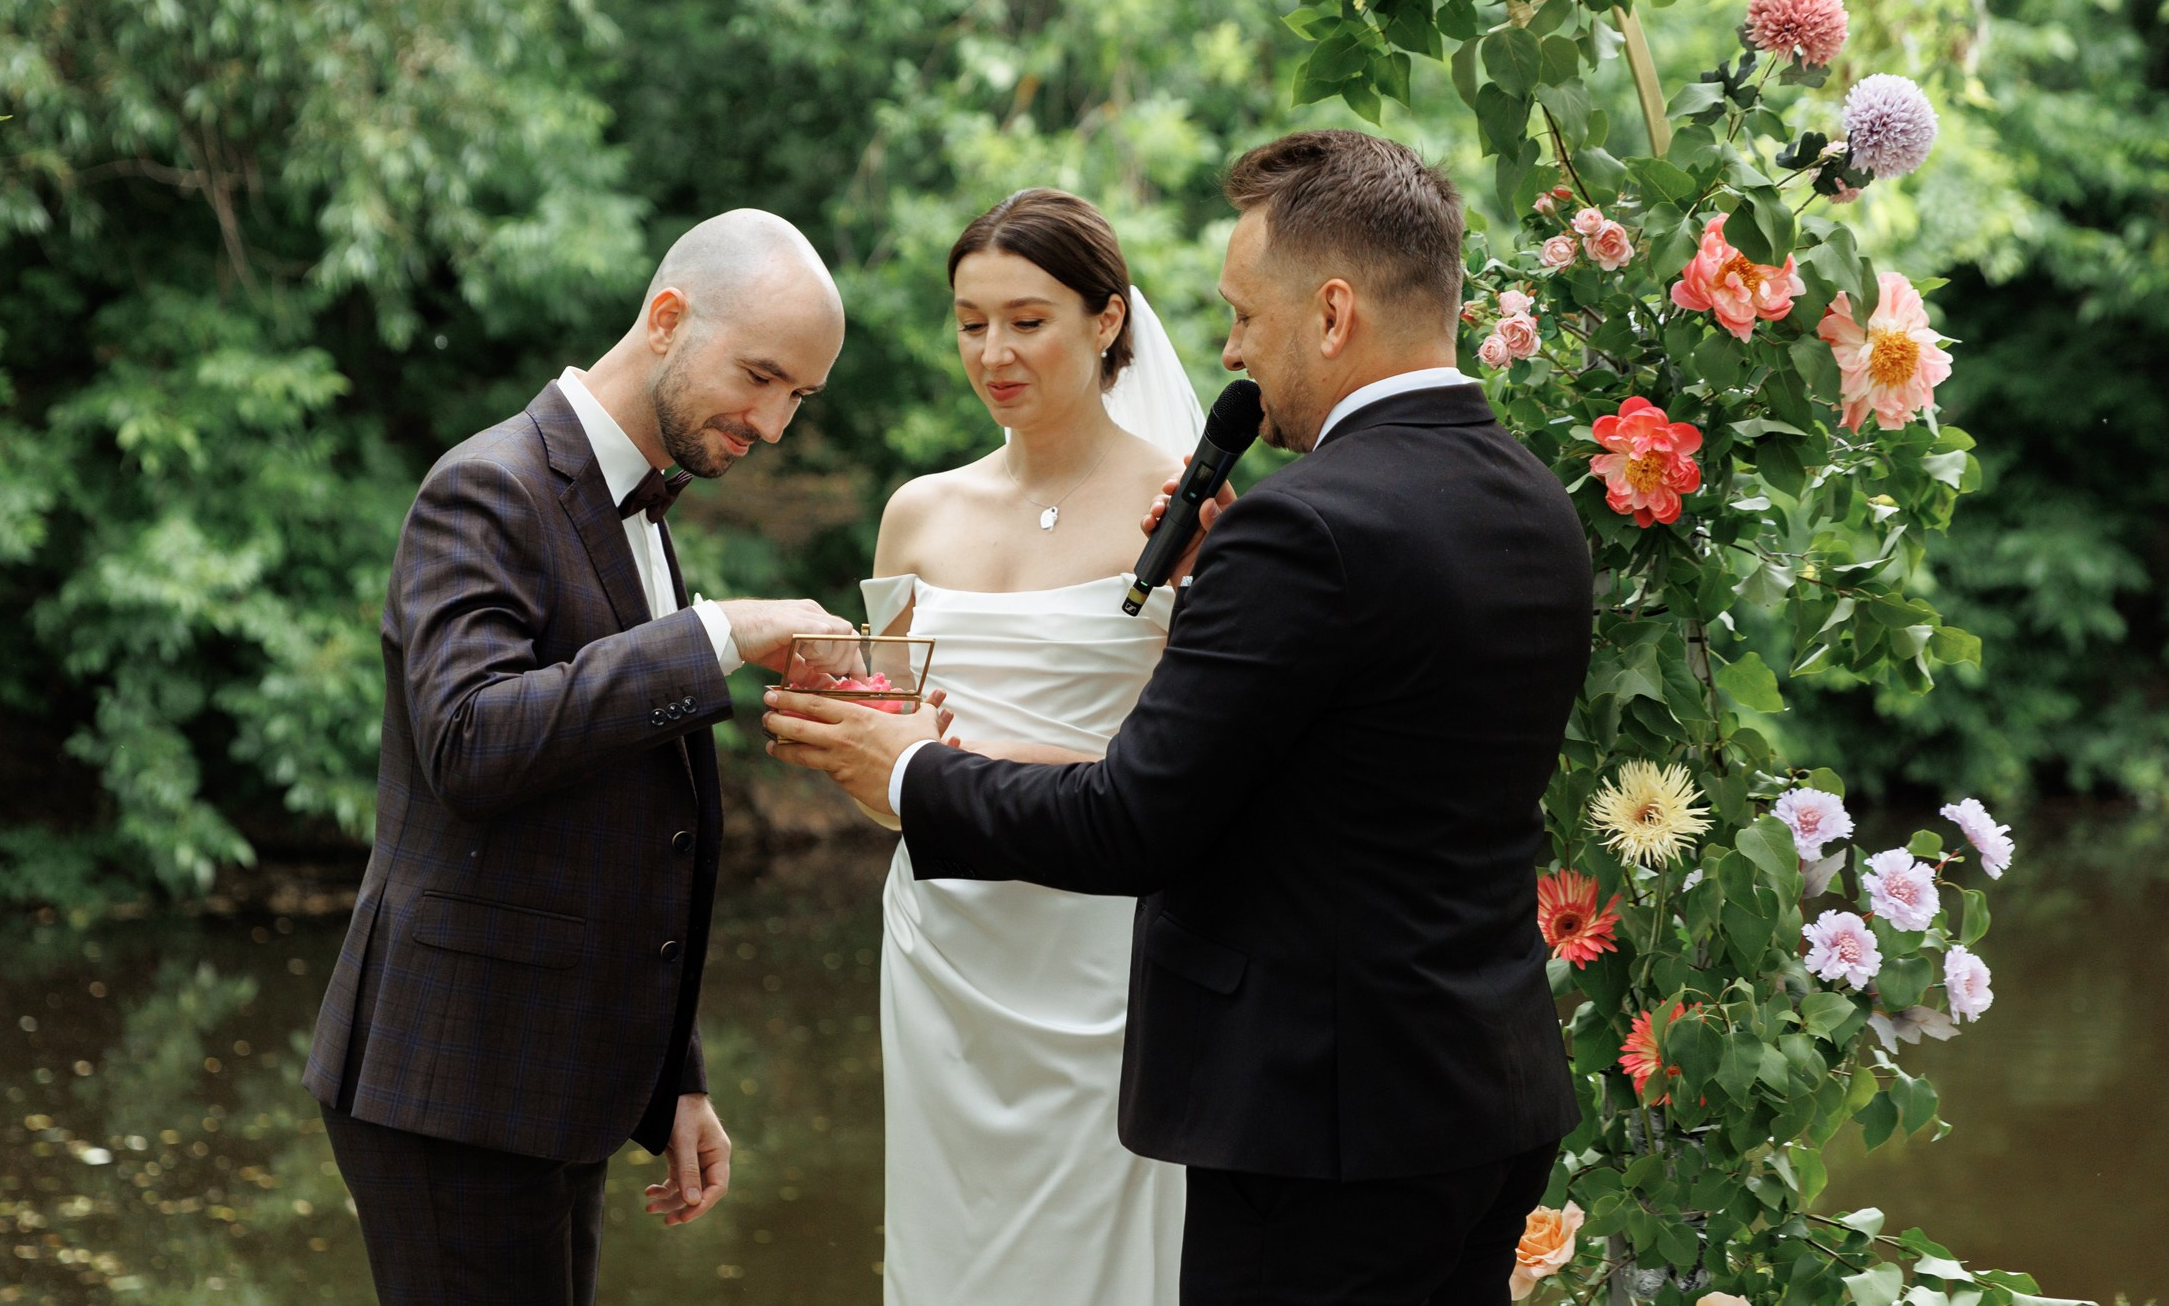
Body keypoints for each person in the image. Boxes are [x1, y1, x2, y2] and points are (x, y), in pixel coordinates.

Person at [767, 132, 1596, 1306]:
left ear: (1333, 312)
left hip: (1323, 1125)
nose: (1229, 348)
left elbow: (1133, 822)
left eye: (1246, 313)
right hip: (1486, 1093)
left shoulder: (1303, 526)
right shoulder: (1529, 498)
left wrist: (911, 774)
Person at [304, 209, 858, 1306]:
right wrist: (715, 634)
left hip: (552, 1082)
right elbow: (468, 740)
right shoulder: (488, 486)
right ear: (665, 318)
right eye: (761, 376)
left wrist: (674, 1081)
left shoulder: (644, 507)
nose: (775, 422)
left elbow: (637, 830)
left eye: (799, 395)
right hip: (452, 1085)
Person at [862, 189, 1206, 1306]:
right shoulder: (917, 511)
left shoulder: (1183, 511)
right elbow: (878, 756)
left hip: (1104, 947)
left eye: (1027, 319)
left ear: (1107, 320)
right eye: (970, 322)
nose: (993, 352)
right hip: (942, 946)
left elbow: (1200, 770)